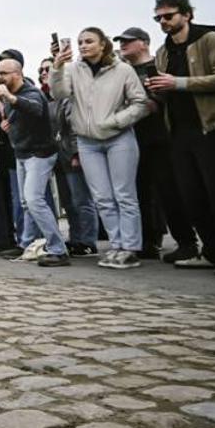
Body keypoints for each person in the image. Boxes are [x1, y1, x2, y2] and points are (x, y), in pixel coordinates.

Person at [52, 28, 148, 269]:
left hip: (119, 138)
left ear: (103, 44)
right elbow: (59, 93)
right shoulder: (74, 69)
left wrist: (116, 121)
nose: (83, 46)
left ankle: (130, 247)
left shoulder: (123, 69)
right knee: (103, 198)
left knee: (124, 195)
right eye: (80, 42)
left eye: (89, 41)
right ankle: (116, 246)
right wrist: (57, 67)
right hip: (87, 141)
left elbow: (141, 103)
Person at [148, 0, 215, 275]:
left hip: (210, 128)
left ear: (187, 14)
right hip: (178, 132)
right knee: (192, 195)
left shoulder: (210, 41)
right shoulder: (164, 52)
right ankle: (211, 252)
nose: (163, 22)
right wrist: (157, 92)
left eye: (169, 16)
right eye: (159, 18)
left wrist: (179, 83)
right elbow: (167, 90)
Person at [116, 26, 196, 262]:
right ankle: (147, 242)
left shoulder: (159, 64)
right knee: (137, 191)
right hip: (132, 137)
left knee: (168, 190)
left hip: (161, 137)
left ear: (143, 43)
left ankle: (186, 242)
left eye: (128, 41)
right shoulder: (122, 71)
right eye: (121, 41)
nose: (123, 45)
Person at [0, 59, 69, 267]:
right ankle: (27, 244)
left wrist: (10, 98)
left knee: (34, 200)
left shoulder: (31, 92)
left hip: (40, 153)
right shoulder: (6, 92)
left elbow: (35, 108)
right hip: (22, 154)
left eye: (4, 73)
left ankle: (58, 250)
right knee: (27, 203)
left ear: (17, 74)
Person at [39, 58, 99, 257]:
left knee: (82, 199)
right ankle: (76, 238)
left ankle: (89, 240)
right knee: (68, 202)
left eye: (47, 69)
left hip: (71, 153)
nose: (43, 73)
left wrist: (75, 153)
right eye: (41, 70)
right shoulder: (45, 99)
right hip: (57, 156)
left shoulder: (67, 97)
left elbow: (73, 126)